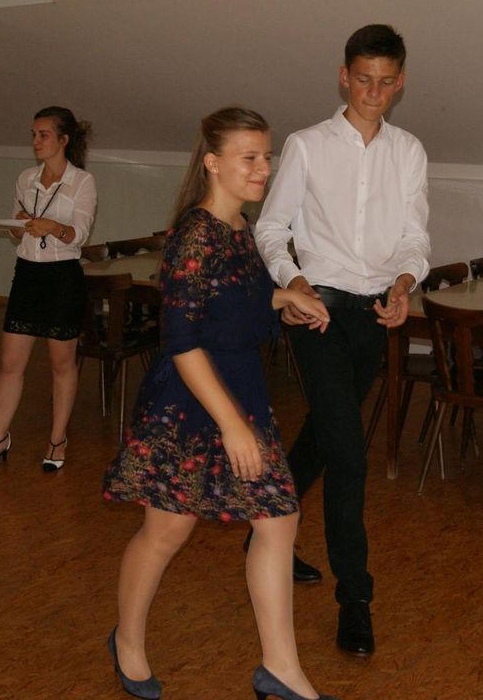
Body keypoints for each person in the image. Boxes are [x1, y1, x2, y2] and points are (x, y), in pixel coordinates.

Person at [102, 108, 339, 700]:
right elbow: (181, 341)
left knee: (278, 519)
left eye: (266, 156)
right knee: (167, 530)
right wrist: (231, 425)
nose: (263, 168)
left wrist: (285, 301)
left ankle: (280, 670)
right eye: (249, 157)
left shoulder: (237, 228)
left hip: (240, 392)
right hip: (191, 400)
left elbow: (237, 301)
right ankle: (127, 639)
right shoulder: (195, 234)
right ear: (212, 162)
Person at [254, 24, 430, 657]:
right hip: (317, 314)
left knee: (325, 436)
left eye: (385, 82)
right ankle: (355, 598)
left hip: (372, 317)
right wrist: (294, 281)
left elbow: (414, 237)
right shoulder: (306, 145)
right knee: (349, 454)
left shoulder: (408, 151)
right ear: (343, 76)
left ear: (400, 82)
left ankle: (262, 529)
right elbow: (271, 228)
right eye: (362, 80)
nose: (372, 93)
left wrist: (405, 283)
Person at [0, 106, 97, 473]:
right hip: (27, 274)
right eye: (33, 135)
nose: (35, 142)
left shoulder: (82, 181)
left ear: (64, 140)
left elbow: (79, 235)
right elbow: (17, 235)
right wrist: (17, 226)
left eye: (43, 135)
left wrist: (52, 227)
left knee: (61, 364)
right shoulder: (26, 178)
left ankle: (57, 439)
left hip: (62, 277)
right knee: (10, 364)